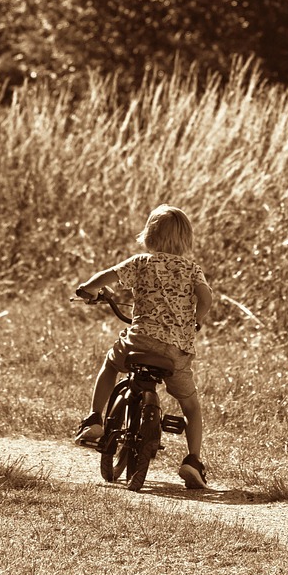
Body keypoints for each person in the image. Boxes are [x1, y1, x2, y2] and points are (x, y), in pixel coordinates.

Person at [73, 204, 214, 489]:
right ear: (187, 240)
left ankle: (94, 420)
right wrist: (196, 320)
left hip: (139, 342)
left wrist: (87, 289)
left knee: (111, 364)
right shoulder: (191, 269)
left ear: (149, 235)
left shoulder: (142, 262)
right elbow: (206, 297)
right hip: (176, 352)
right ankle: (192, 460)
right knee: (191, 405)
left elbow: (106, 276)